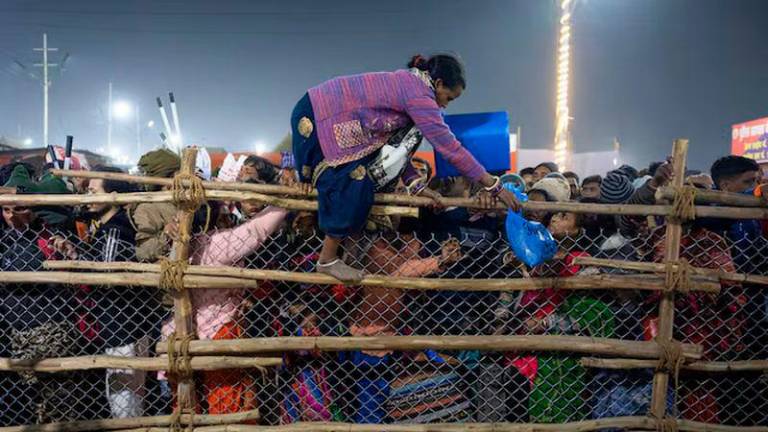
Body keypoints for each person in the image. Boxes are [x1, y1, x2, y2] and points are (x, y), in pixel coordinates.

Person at [290, 53, 520, 283]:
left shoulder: (413, 86)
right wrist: (495, 186)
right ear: (438, 83)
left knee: (361, 182)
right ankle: (328, 259)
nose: (444, 104)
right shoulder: (419, 94)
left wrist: (416, 185)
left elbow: (397, 149)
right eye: (448, 97)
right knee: (355, 182)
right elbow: (449, 148)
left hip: (329, 116)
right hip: (317, 114)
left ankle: (337, 257)